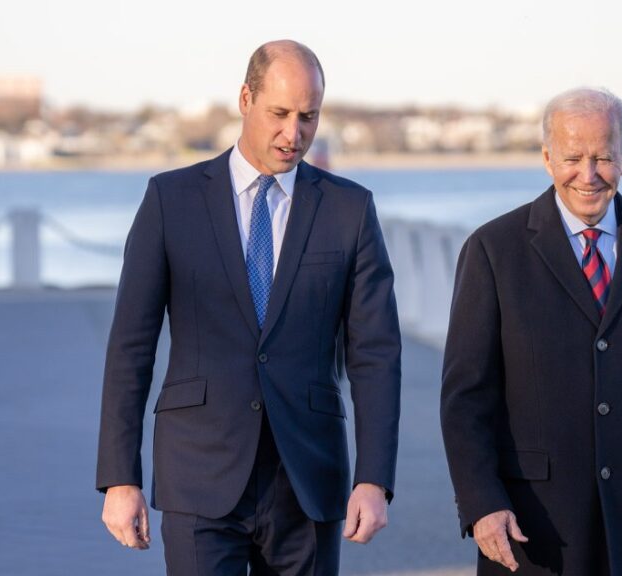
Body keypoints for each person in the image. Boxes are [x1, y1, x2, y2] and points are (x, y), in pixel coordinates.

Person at [96, 40, 401, 576]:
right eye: (279, 114)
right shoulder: (172, 200)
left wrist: (373, 479)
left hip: (307, 481)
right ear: (245, 98)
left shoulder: (350, 210)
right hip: (198, 474)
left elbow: (375, 354)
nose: (294, 133)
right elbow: (131, 347)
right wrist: (121, 479)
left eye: (308, 117)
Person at [440, 87, 622, 575]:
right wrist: (480, 504)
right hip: (534, 531)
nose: (588, 175)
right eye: (573, 157)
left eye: (603, 157)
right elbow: (465, 399)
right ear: (547, 157)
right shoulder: (493, 250)